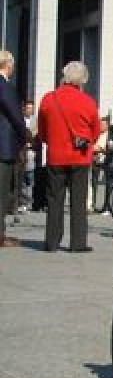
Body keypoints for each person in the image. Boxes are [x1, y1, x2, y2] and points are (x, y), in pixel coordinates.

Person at [36, 61, 101, 252]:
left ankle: (52, 242)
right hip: (80, 157)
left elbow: (42, 132)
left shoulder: (48, 99)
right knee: (78, 200)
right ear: (82, 80)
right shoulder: (88, 102)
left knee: (54, 199)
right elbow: (95, 132)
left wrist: (52, 141)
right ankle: (77, 243)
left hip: (56, 156)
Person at [0, 50, 28, 247]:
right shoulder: (4, 86)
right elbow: (15, 116)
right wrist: (25, 134)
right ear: (8, 65)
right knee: (2, 193)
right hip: (4, 147)